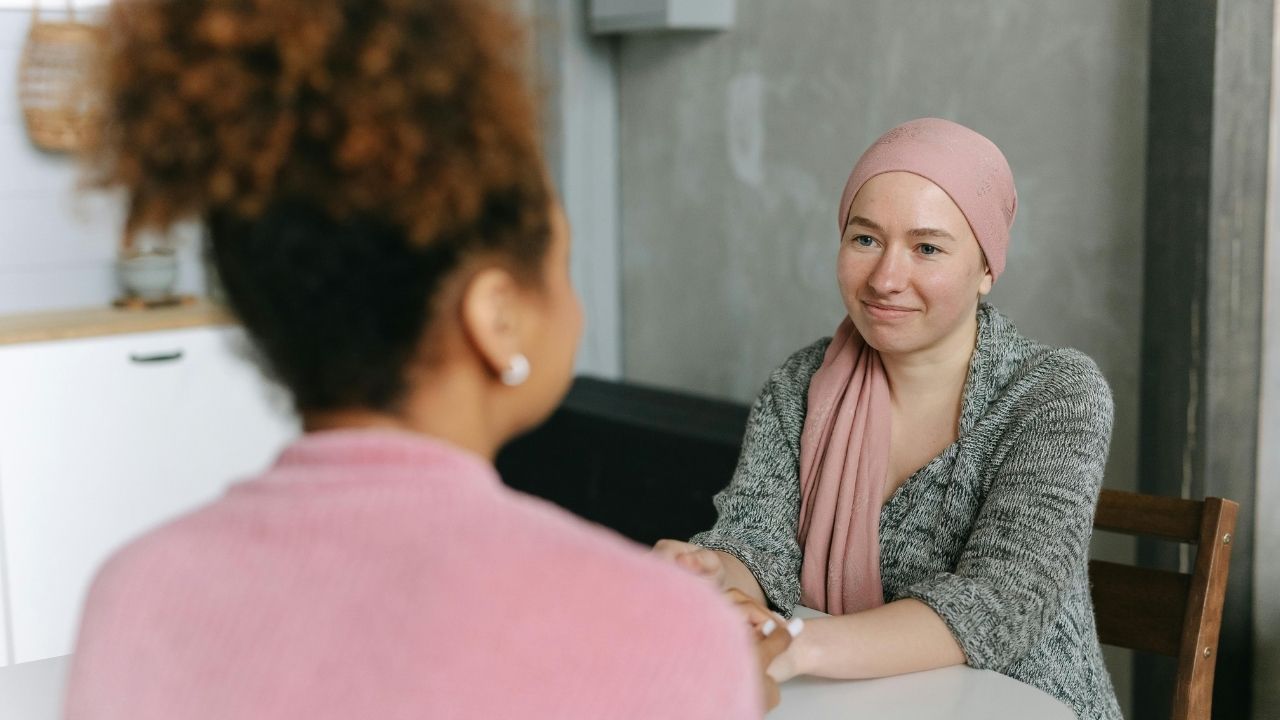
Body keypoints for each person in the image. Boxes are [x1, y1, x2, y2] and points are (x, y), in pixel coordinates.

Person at [63, 1, 789, 718]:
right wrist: (726, 681)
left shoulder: (135, 597)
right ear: (496, 318)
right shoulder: (660, 631)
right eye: (561, 265)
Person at [654, 117, 1122, 719]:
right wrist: (713, 573)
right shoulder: (802, 383)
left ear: (986, 269)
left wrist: (798, 645)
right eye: (865, 239)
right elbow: (757, 544)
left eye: (927, 248)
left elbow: (999, 604)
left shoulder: (1053, 393)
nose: (886, 279)